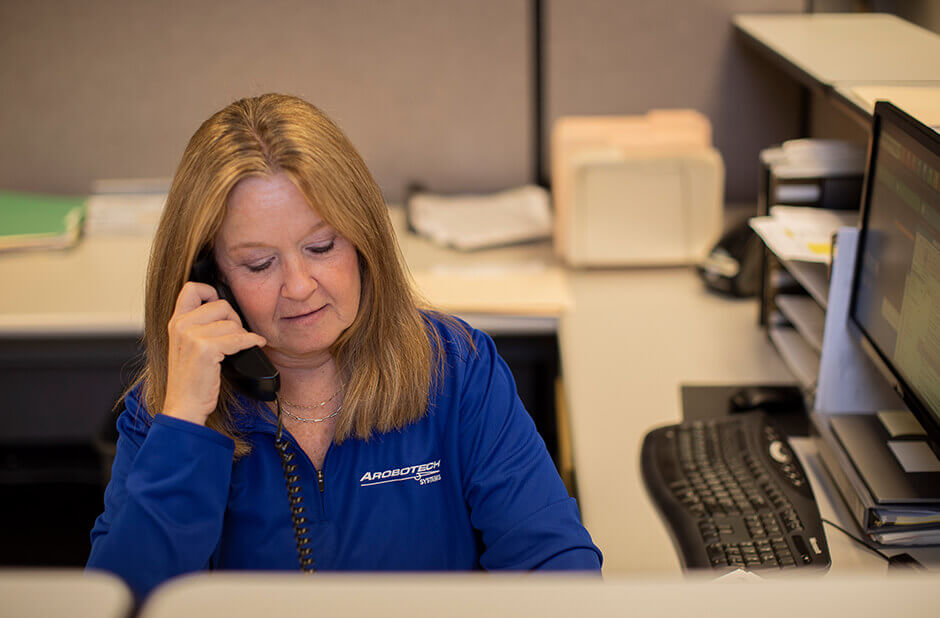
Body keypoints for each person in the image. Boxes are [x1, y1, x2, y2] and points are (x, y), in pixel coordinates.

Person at [86, 93, 601, 598]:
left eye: (321, 246)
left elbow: (557, 567)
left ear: (362, 238)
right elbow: (121, 603)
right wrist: (185, 424)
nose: (300, 285)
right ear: (209, 278)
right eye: (259, 264)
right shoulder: (169, 409)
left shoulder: (456, 371)